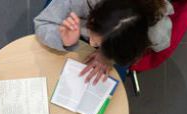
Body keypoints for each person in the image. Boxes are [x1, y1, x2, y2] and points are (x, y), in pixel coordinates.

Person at [34, 0, 174, 83]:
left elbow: (133, 53)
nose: (92, 44)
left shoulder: (156, 31)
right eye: (95, 39)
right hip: (73, 27)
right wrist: (64, 40)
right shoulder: (81, 2)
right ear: (94, 17)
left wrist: (108, 58)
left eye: (99, 44)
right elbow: (42, 23)